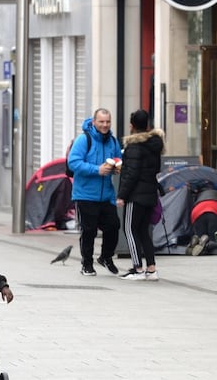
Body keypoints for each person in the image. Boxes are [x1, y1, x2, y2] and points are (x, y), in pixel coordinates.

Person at [68, 108, 124, 277]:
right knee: (89, 230)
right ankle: (87, 263)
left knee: (113, 226)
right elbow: (73, 162)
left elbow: (116, 160)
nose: (105, 125)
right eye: (101, 122)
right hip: (85, 194)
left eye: (107, 122)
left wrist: (116, 168)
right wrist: (96, 169)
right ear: (94, 122)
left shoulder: (113, 141)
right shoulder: (84, 139)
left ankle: (106, 257)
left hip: (106, 194)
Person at [117, 110, 165, 281]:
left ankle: (137, 269)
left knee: (129, 229)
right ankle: (151, 269)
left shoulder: (134, 147)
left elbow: (132, 173)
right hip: (150, 193)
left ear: (131, 126)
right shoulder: (154, 145)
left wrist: (122, 195)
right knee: (143, 231)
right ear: (147, 125)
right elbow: (155, 169)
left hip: (135, 195)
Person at [186, 186, 217, 256]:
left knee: (200, 235)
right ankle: (208, 245)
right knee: (213, 238)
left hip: (197, 211)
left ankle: (197, 241)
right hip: (214, 209)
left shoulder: (199, 195)